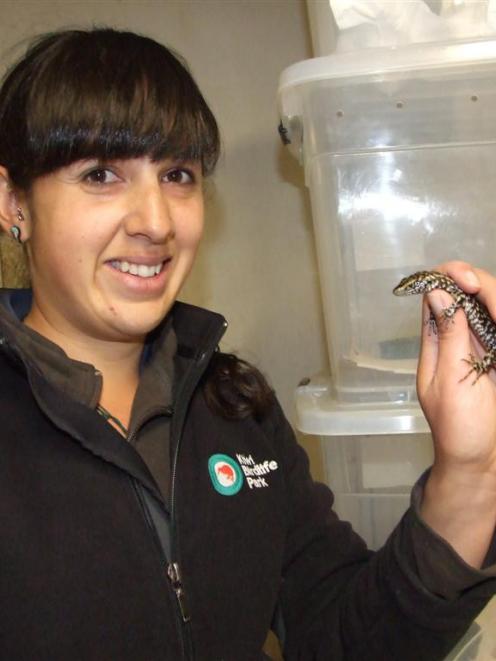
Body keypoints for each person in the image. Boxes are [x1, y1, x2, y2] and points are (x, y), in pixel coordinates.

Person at [0, 27, 494, 661]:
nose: (156, 221)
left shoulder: (236, 406)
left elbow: (344, 637)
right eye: (101, 173)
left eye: (178, 174)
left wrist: (472, 472)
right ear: (14, 201)